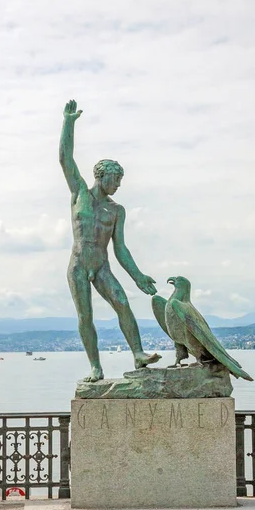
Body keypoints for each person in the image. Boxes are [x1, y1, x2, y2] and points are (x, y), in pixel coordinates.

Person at [59, 99, 161, 381]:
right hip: (79, 264)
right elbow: (65, 159)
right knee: (85, 317)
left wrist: (138, 276)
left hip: (102, 265)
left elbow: (121, 249)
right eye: (115, 178)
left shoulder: (116, 210)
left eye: (120, 180)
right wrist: (68, 123)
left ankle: (139, 354)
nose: (118, 184)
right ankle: (95, 367)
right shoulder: (80, 193)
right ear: (101, 176)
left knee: (123, 303)